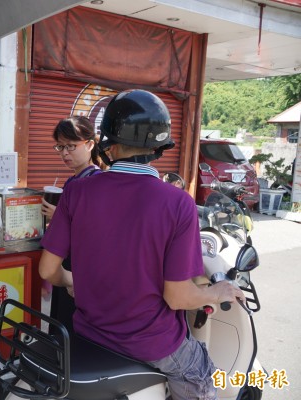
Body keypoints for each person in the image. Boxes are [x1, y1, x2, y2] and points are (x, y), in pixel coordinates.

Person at [39, 89, 245, 400]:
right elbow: (178, 297)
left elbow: (48, 269)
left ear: (108, 141)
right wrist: (217, 292)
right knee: (200, 367)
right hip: (152, 345)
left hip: (88, 333)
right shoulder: (177, 202)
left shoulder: (77, 191)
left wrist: (71, 280)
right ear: (159, 147)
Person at [42, 116, 104, 333]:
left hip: (82, 270)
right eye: (60, 147)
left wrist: (58, 218)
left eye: (71, 146)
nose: (64, 153)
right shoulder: (73, 181)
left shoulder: (96, 182)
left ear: (89, 144)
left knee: (73, 330)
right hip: (66, 265)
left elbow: (97, 231)